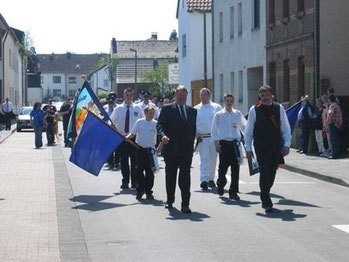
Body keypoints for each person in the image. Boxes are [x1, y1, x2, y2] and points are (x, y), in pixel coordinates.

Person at [244, 85, 291, 212]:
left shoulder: (278, 108)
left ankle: (266, 190)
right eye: (262, 96)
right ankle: (266, 200)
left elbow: (285, 128)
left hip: (275, 145)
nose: (264, 98)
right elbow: (248, 131)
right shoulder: (254, 109)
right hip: (260, 146)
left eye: (266, 95)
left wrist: (287, 144)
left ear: (271, 95)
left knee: (272, 172)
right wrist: (248, 148)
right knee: (264, 171)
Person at [157, 86, 197, 213]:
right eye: (179, 95)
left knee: (185, 177)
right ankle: (170, 200)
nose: (181, 98)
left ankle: (185, 203)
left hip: (186, 150)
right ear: (176, 96)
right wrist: (163, 136)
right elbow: (159, 125)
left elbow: (193, 129)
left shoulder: (192, 111)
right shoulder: (167, 109)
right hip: (171, 148)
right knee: (171, 176)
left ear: (187, 96)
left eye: (184, 96)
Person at [211, 93, 246, 199]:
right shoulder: (219, 115)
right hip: (224, 144)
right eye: (227, 101)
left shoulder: (237, 114)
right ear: (224, 101)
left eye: (231, 101)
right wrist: (217, 144)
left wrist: (249, 138)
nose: (229, 103)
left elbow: (244, 127)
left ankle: (233, 191)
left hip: (235, 144)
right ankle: (221, 183)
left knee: (236, 169)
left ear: (233, 102)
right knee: (222, 168)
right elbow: (214, 130)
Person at [110, 88, 144, 189]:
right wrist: (114, 129)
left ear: (132, 96)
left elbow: (142, 122)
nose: (128, 97)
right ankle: (125, 181)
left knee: (134, 162)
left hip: (133, 139)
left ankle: (134, 181)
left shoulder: (137, 108)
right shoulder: (118, 108)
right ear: (124, 96)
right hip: (122, 138)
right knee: (124, 161)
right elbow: (112, 121)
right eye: (127, 95)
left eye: (130, 95)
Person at [126, 106, 158, 200]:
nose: (151, 115)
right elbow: (133, 133)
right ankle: (140, 190)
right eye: (150, 113)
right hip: (140, 149)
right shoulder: (140, 122)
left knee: (150, 173)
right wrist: (127, 137)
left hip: (151, 151)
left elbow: (161, 134)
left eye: (153, 113)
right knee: (138, 172)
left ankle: (149, 191)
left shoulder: (155, 124)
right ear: (145, 113)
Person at [195, 88, 222, 190]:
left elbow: (221, 121)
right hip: (202, 137)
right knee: (204, 159)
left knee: (213, 159)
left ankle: (211, 178)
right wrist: (195, 132)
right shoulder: (196, 108)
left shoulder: (216, 107)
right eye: (201, 95)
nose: (202, 97)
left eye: (204, 95)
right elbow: (194, 123)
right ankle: (204, 180)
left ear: (209, 96)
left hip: (214, 137)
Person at [326, 94, 343, 159]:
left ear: (330, 99)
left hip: (333, 124)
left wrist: (327, 122)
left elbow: (330, 115)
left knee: (333, 140)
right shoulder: (336, 105)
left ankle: (334, 154)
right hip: (337, 125)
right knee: (336, 139)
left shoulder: (332, 106)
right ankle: (336, 153)